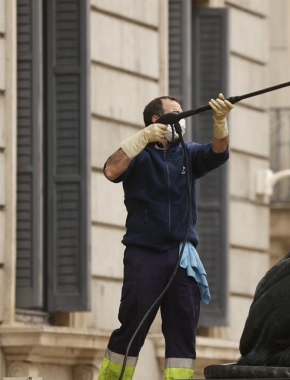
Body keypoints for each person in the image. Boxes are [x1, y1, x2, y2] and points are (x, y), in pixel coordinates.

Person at [97, 94, 234, 380]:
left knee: (183, 332)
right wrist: (140, 139)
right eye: (176, 114)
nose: (182, 120)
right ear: (157, 120)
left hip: (182, 258)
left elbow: (219, 153)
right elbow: (111, 169)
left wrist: (220, 122)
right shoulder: (138, 156)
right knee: (132, 327)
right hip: (144, 255)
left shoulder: (188, 152)